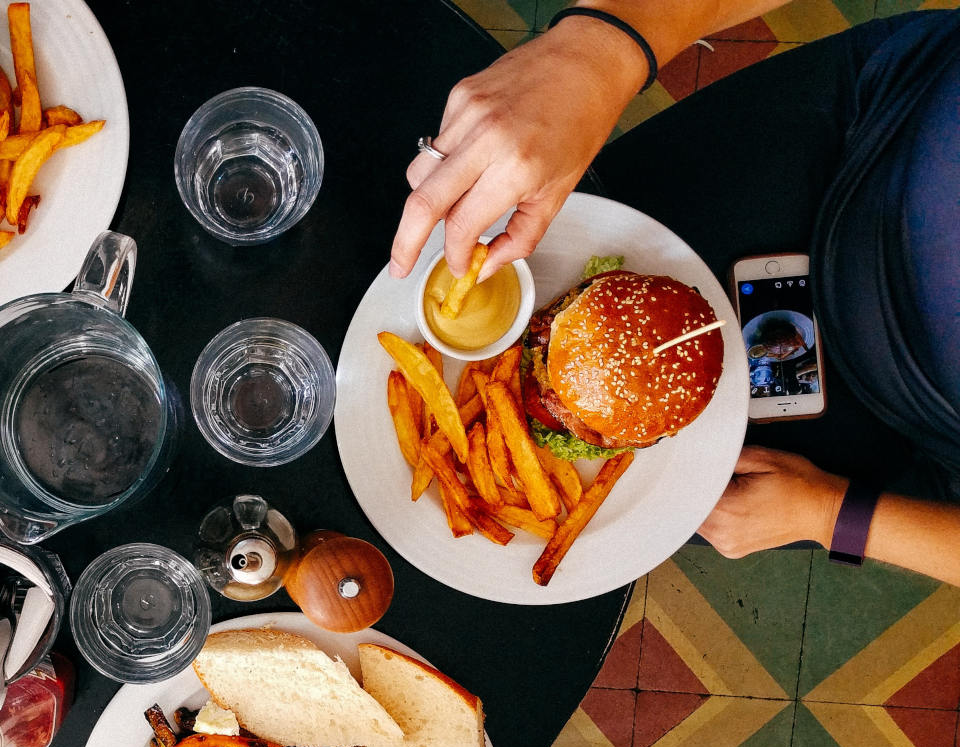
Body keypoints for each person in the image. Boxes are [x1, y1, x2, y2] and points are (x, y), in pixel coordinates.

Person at [387, 3, 960, 583]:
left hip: (899, 425)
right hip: (877, 108)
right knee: (599, 187)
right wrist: (599, 50)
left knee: (701, 503)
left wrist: (833, 515)